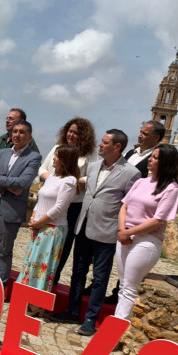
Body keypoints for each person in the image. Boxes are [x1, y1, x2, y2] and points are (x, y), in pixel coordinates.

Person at [48, 129, 140, 336]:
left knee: (100, 278)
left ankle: (90, 318)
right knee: (77, 273)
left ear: (117, 147)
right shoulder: (94, 166)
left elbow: (129, 206)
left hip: (107, 233)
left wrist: (123, 229)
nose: (100, 145)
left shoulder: (131, 173)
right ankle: (72, 310)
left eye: (105, 142)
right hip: (83, 228)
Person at [114, 144, 178, 320]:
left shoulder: (171, 188)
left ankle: (116, 331)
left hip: (146, 240)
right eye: (152, 156)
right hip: (125, 235)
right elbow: (124, 206)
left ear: (166, 162)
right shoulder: (140, 182)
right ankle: (119, 326)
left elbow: (159, 220)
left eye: (156, 157)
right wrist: (122, 230)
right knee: (123, 285)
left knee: (129, 287)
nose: (150, 159)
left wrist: (129, 232)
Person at [105, 120, 166, 303]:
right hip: (116, 209)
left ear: (155, 138)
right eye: (140, 132)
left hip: (133, 214)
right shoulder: (131, 153)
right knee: (107, 253)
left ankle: (118, 293)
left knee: (127, 260)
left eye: (145, 134)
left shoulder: (153, 161)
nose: (140, 135)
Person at [0, 121, 42, 288]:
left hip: (10, 210)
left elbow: (22, 183)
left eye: (21, 132)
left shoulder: (34, 157)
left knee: (4, 251)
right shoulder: (2, 153)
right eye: (15, 132)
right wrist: (8, 184)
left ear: (29, 137)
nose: (17, 135)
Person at [38, 117, 98, 285]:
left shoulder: (90, 154)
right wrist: (53, 179)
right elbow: (43, 168)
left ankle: (51, 283)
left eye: (76, 133)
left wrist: (71, 180)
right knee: (41, 243)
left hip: (72, 207)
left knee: (60, 248)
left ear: (84, 136)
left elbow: (93, 177)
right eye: (70, 131)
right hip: (49, 202)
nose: (71, 135)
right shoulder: (58, 148)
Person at [18, 145, 80, 301]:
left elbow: (59, 207)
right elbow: (40, 200)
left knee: (42, 265)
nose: (54, 157)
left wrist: (39, 222)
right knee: (32, 262)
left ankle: (37, 302)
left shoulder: (70, 181)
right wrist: (33, 218)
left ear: (65, 159)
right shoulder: (52, 177)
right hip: (39, 226)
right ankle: (26, 295)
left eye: (57, 156)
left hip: (52, 228)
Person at [0, 108, 40, 176]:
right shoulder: (1, 139)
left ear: (21, 121)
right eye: (7, 118)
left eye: (11, 118)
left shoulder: (28, 141)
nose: (7, 121)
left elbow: (35, 164)